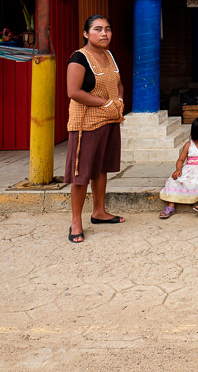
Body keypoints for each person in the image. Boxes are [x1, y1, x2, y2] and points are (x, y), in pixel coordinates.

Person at [65, 15, 126, 243]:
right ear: (86, 33)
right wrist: (105, 103)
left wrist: (118, 100)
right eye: (98, 29)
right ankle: (76, 222)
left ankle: (99, 212)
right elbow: (73, 91)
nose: (104, 34)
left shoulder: (109, 55)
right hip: (86, 123)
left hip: (109, 120)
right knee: (81, 173)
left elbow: (118, 82)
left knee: (101, 168)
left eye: (108, 29)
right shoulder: (79, 58)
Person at [158, 116, 198, 218]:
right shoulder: (189, 145)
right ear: (196, 133)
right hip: (190, 170)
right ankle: (171, 207)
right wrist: (178, 170)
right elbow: (180, 160)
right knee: (175, 180)